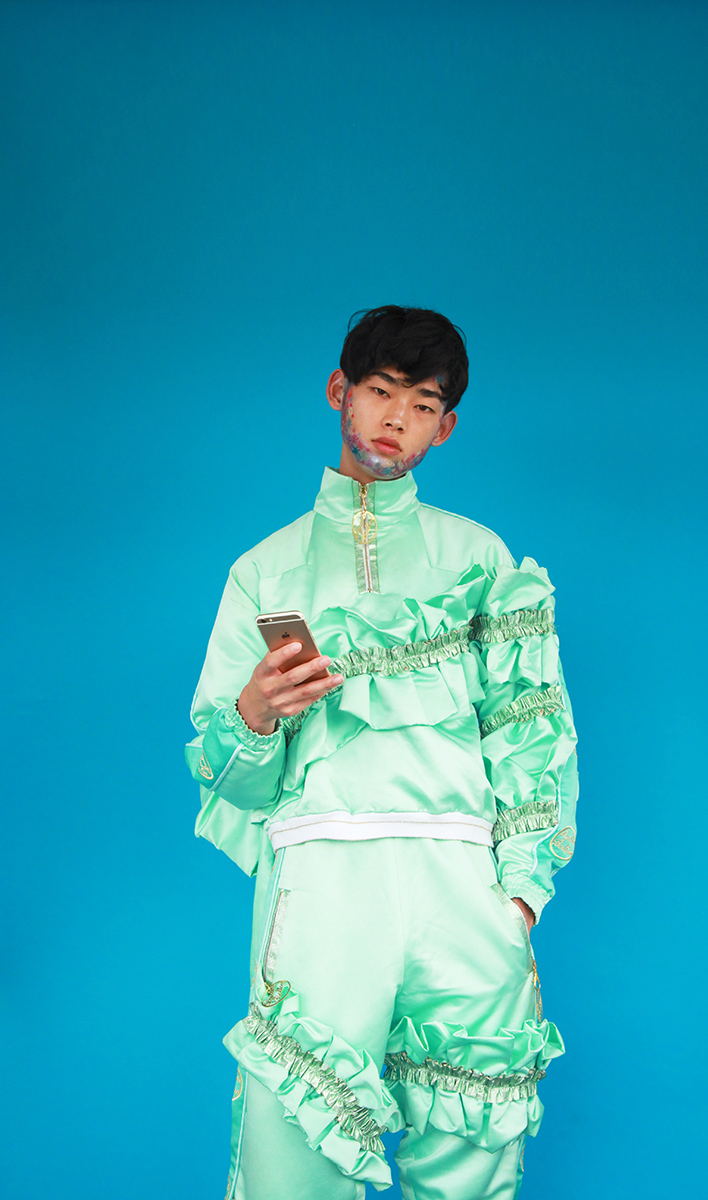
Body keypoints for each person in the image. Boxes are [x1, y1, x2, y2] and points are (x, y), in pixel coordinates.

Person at [186, 305, 579, 1200]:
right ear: (341, 392)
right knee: (294, 1142)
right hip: (322, 875)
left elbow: (531, 727)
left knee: (473, 1146)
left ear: (446, 427)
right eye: (381, 390)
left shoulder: (481, 559)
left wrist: (521, 890)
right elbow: (230, 779)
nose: (397, 418)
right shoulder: (263, 570)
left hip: (461, 876)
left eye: (423, 404)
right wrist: (255, 711)